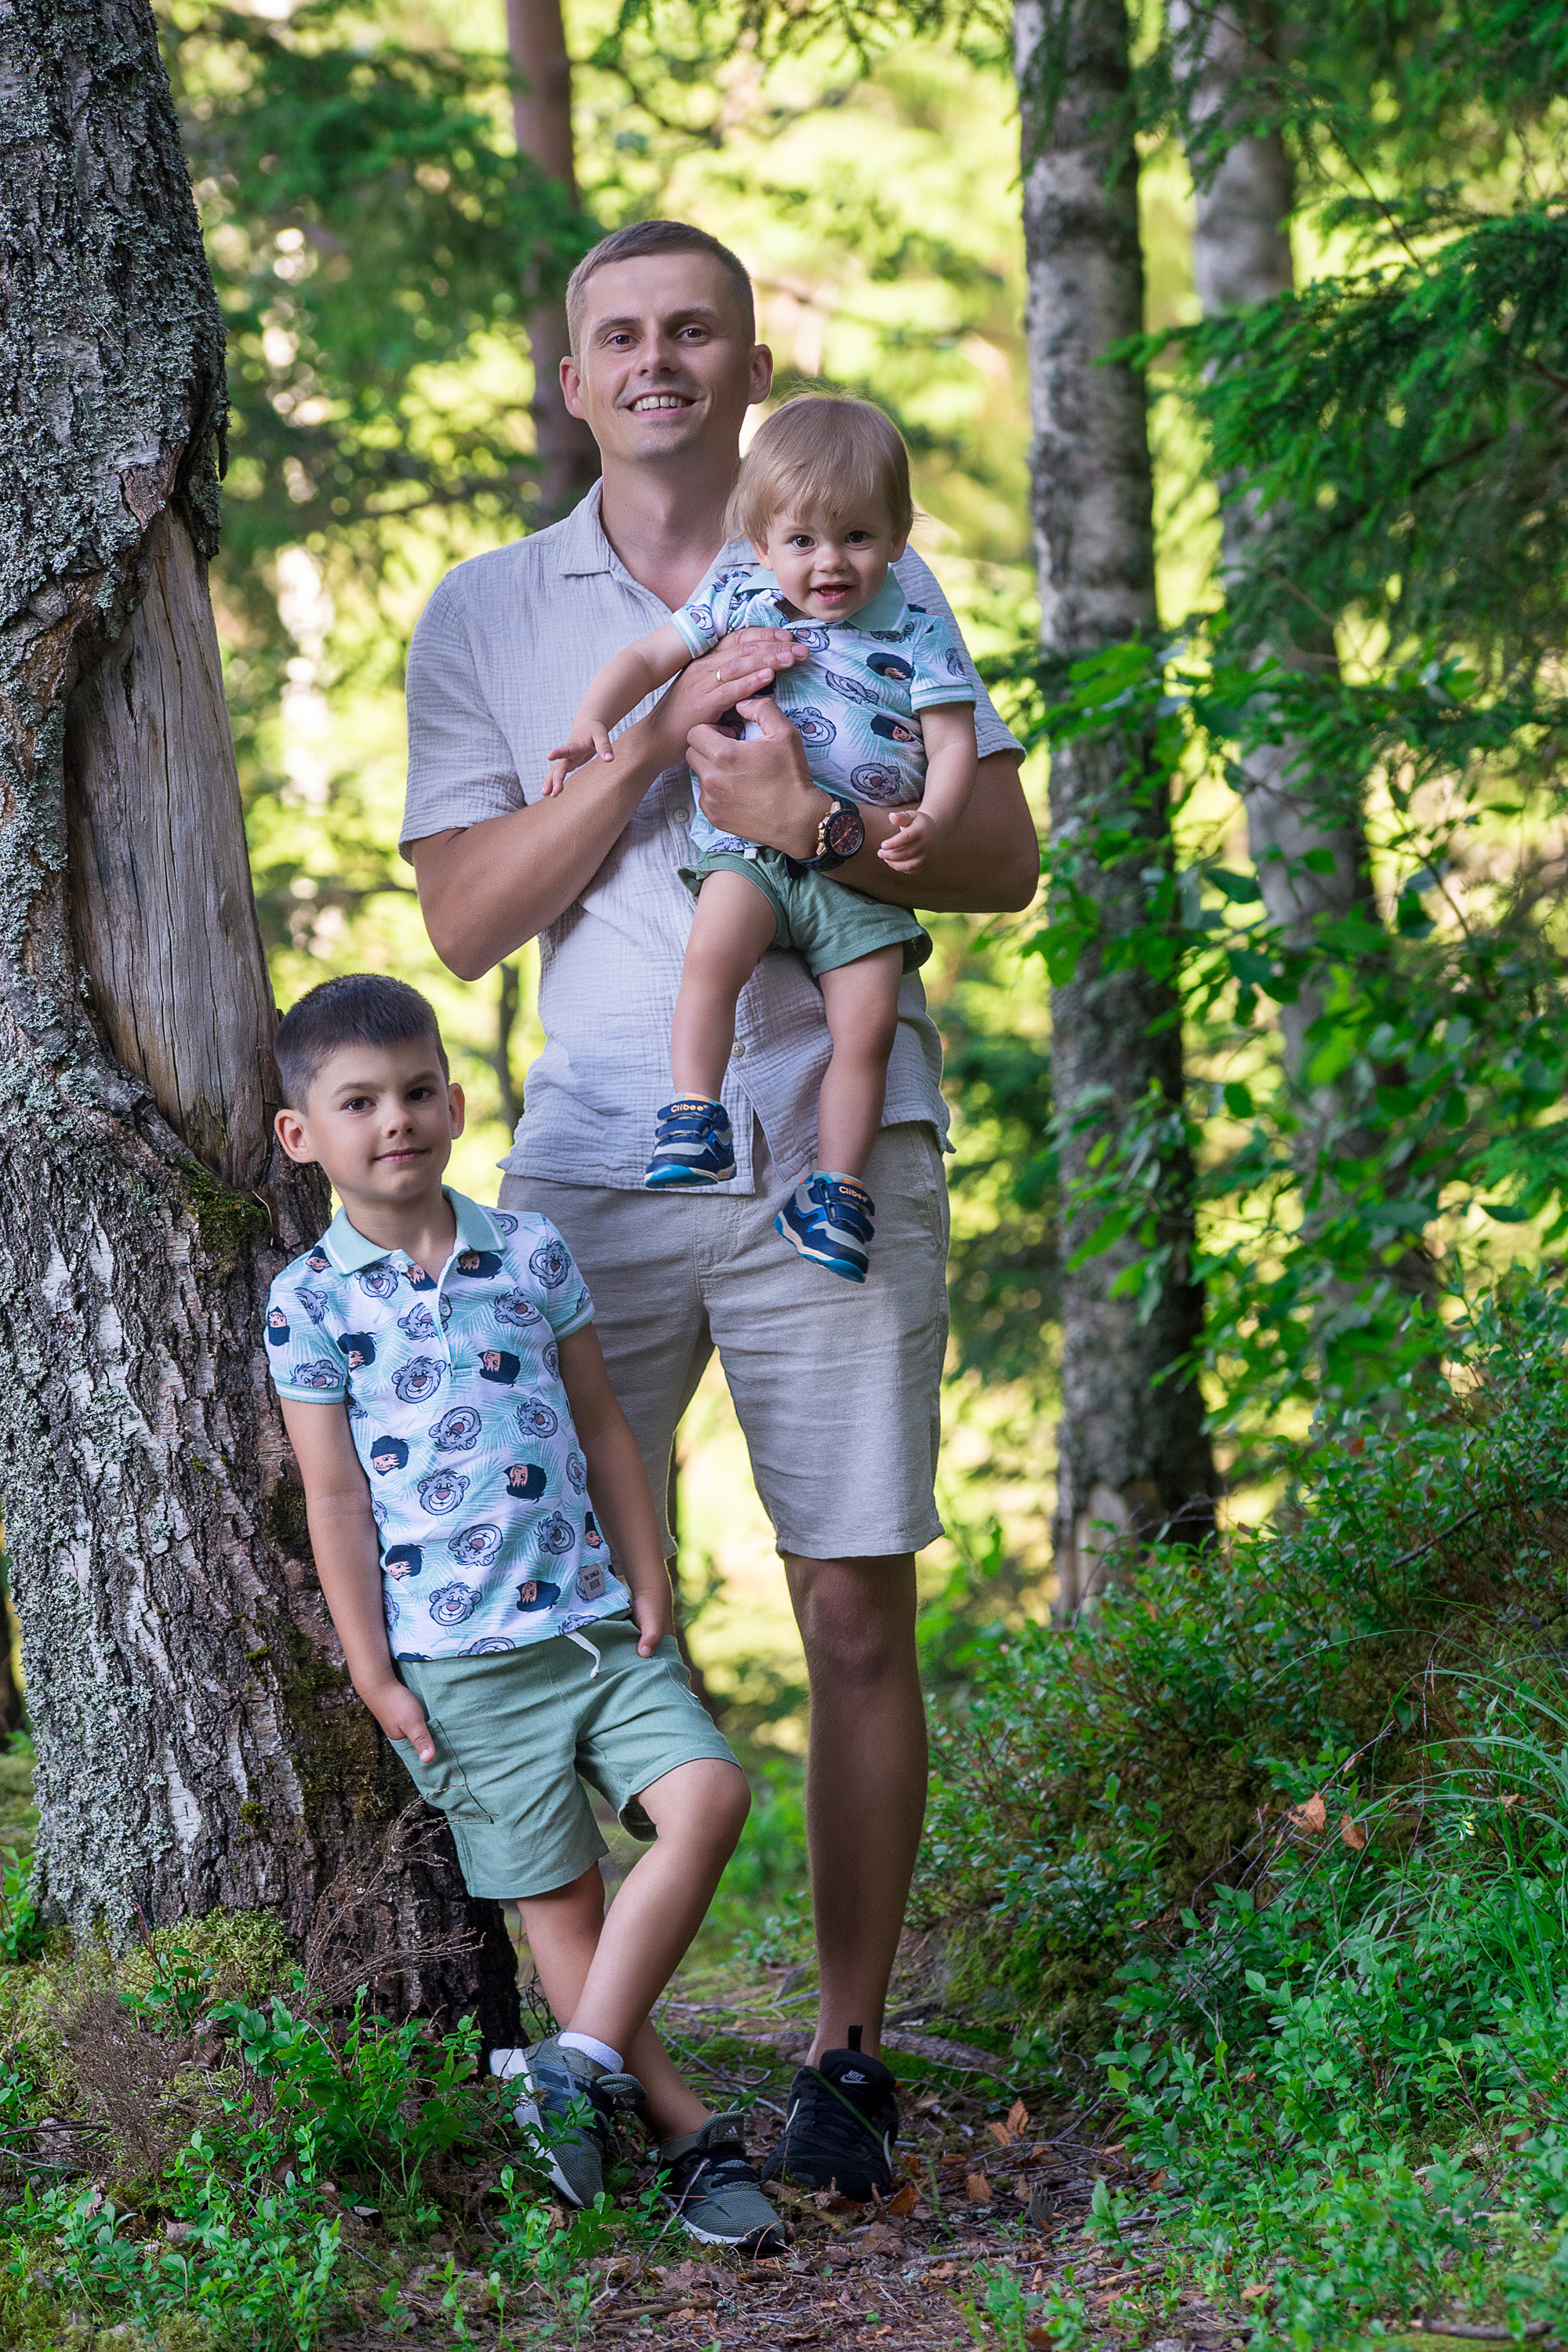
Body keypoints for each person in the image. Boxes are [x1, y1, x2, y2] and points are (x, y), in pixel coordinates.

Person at [402, 219, 1037, 2200]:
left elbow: (999, 860)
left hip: (841, 1145)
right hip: (597, 1156)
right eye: (621, 336)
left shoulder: (867, 550)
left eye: (696, 330)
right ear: (571, 382)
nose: (660, 360)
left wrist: (813, 829)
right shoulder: (493, 614)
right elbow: (465, 916)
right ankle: (628, 2075)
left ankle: (846, 2059)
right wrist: (653, 757)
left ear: (750, 367)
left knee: (852, 1598)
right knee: (559, 1610)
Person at [264, 972, 783, 2253]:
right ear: (302, 1136)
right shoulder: (311, 1303)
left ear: (455, 1096)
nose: (398, 1120)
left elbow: (606, 1426)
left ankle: (574, 2065)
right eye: (360, 1101)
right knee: (566, 1914)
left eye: (419, 1090)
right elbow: (334, 1500)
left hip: (597, 1630)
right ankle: (685, 2142)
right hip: (459, 1672)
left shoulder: (530, 1251)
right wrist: (376, 1672)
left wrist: (648, 1566)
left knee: (710, 1797)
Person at [546, 394, 978, 1287]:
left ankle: (835, 1190)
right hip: (749, 852)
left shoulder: (917, 622)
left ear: (899, 537)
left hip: (858, 879)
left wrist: (931, 815)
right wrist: (595, 716)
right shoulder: (738, 591)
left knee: (864, 1031)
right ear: (759, 539)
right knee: (711, 958)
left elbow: (951, 740)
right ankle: (693, 1112)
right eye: (802, 541)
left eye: (857, 538)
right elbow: (647, 657)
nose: (829, 563)